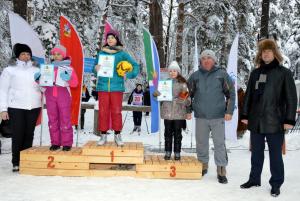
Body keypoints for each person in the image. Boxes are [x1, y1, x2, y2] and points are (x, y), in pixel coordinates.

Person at [240, 39, 297, 197]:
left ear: (275, 53)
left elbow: (292, 98)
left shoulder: (284, 73)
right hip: (256, 121)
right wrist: (245, 115)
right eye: (263, 51)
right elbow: (249, 95)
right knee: (256, 153)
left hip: (275, 121)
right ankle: (254, 179)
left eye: (269, 51)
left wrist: (289, 120)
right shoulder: (255, 73)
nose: (265, 54)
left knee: (275, 155)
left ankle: (276, 183)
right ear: (260, 54)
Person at [187, 49, 235, 184]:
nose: (206, 61)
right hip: (201, 115)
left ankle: (221, 169)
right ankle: (203, 164)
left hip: (218, 116)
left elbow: (231, 94)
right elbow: (188, 94)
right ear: (201, 61)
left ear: (214, 60)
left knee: (219, 143)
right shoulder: (195, 76)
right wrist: (188, 109)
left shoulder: (222, 75)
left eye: (209, 58)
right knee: (201, 142)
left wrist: (229, 111)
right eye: (204, 58)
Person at [0, 43, 42, 172]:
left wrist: (42, 85)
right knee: (18, 134)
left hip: (33, 106)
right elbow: (3, 90)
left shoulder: (37, 70)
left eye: (28, 54)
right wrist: (3, 109)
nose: (26, 56)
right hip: (16, 106)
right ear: (17, 56)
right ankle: (16, 161)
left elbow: (43, 87)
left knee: (29, 134)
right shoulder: (9, 70)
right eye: (23, 54)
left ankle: (26, 160)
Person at [94, 30, 139, 146]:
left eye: (112, 38)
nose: (110, 40)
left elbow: (135, 65)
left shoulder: (122, 54)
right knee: (103, 112)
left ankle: (117, 135)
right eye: (108, 38)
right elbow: (93, 69)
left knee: (116, 112)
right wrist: (96, 69)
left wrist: (128, 75)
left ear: (117, 39)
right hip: (103, 87)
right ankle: (103, 135)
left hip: (117, 88)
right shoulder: (101, 53)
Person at [35, 45, 78, 151]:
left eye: (58, 54)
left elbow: (75, 83)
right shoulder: (48, 67)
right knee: (52, 120)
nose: (56, 56)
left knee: (65, 119)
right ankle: (55, 142)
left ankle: (67, 143)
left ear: (63, 55)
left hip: (63, 96)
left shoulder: (68, 67)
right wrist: (38, 78)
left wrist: (68, 78)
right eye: (54, 54)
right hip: (50, 96)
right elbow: (43, 85)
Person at [159, 61, 191, 161]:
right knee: (167, 133)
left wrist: (178, 100)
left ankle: (177, 152)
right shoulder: (164, 83)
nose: (172, 72)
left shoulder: (183, 84)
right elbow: (159, 96)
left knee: (177, 134)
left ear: (178, 72)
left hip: (179, 113)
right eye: (171, 71)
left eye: (174, 71)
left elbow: (187, 99)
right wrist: (156, 93)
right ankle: (167, 152)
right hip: (167, 113)